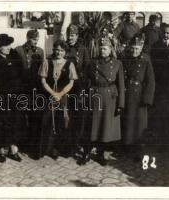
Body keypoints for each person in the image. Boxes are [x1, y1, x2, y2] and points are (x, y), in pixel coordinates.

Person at [85, 36, 125, 166]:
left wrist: (120, 104)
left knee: (105, 127)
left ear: (110, 49)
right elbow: (87, 81)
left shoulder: (117, 63)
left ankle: (100, 153)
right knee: (93, 126)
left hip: (110, 97)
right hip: (95, 96)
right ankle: (87, 152)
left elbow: (121, 85)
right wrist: (87, 96)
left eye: (105, 48)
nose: (102, 50)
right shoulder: (92, 62)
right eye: (101, 48)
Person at [0, 34, 24, 163]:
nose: (8, 48)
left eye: (9, 45)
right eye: (5, 45)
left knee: (15, 121)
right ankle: (0, 149)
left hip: (15, 95)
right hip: (0, 96)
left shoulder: (15, 56)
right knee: (1, 121)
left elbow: (21, 74)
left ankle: (13, 149)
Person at [38, 40, 78, 160]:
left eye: (61, 50)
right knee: (48, 121)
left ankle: (60, 149)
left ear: (65, 52)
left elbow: (71, 82)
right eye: (56, 49)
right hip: (48, 96)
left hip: (63, 96)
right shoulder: (47, 62)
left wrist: (60, 94)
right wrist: (53, 93)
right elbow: (43, 80)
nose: (58, 52)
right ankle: (47, 149)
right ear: (53, 50)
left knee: (62, 121)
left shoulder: (69, 64)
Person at [122, 36, 155, 158]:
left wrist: (147, 98)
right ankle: (128, 147)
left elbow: (150, 80)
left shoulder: (146, 60)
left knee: (140, 123)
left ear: (141, 48)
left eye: (137, 48)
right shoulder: (127, 58)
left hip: (140, 94)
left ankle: (139, 149)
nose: (134, 51)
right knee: (129, 121)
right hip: (128, 93)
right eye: (133, 48)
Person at [15, 29, 45, 158]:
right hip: (22, 88)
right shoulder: (18, 50)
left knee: (34, 117)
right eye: (33, 39)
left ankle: (32, 146)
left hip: (36, 89)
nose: (35, 42)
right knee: (22, 117)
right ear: (27, 38)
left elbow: (43, 70)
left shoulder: (40, 51)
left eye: (37, 39)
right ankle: (21, 143)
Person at [65, 24, 91, 163]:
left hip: (78, 87)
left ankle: (79, 145)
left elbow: (87, 69)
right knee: (66, 116)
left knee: (79, 118)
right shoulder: (63, 47)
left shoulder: (83, 49)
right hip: (65, 87)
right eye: (69, 35)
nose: (71, 37)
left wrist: (83, 89)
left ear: (77, 36)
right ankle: (67, 145)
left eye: (73, 35)